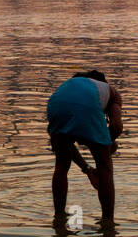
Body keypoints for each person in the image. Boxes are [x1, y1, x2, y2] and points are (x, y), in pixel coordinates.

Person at [46, 70, 122, 220]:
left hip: (55, 104)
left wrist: (87, 169)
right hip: (86, 106)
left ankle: (59, 217)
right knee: (105, 167)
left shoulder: (68, 87)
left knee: (61, 164)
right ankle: (108, 223)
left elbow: (68, 147)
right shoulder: (111, 93)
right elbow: (116, 126)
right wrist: (108, 145)